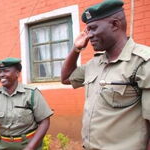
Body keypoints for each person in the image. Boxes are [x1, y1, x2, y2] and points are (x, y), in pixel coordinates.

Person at [61, 0, 150, 149]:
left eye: (93, 28)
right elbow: (66, 78)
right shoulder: (95, 63)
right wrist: (76, 49)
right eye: (87, 30)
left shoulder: (142, 62)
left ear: (115, 25)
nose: (89, 36)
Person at [0, 57, 53, 150]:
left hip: (28, 144)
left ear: (17, 73)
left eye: (6, 71)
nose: (1, 75)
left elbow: (44, 122)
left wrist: (30, 147)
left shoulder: (31, 93)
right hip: (4, 145)